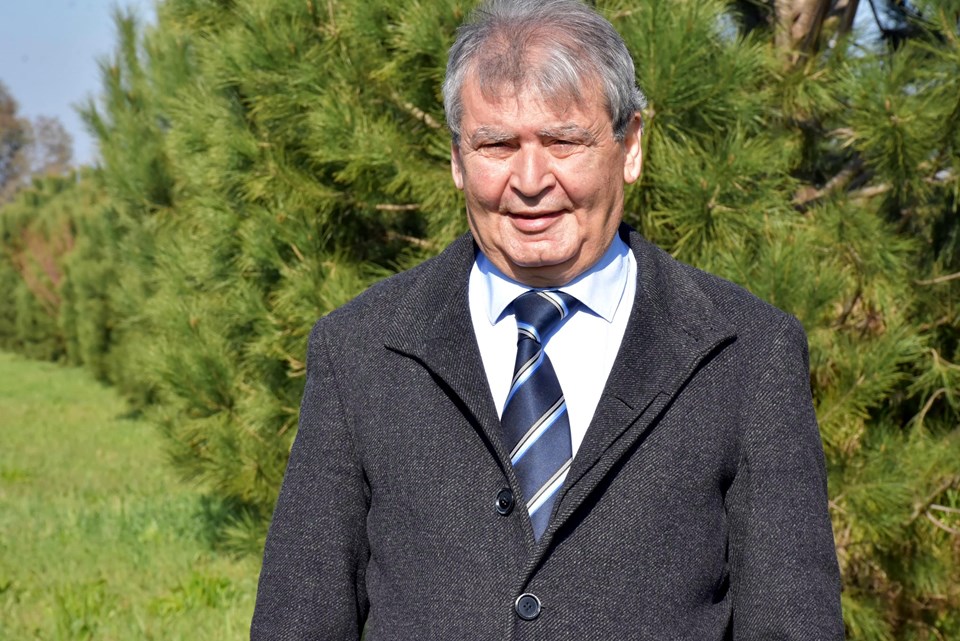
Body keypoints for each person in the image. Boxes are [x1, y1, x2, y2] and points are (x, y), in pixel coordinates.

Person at [250, 0, 844, 639]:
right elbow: (298, 620)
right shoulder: (360, 349)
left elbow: (794, 625)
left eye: (563, 142)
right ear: (457, 160)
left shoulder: (747, 354)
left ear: (631, 146)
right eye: (496, 145)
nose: (530, 181)